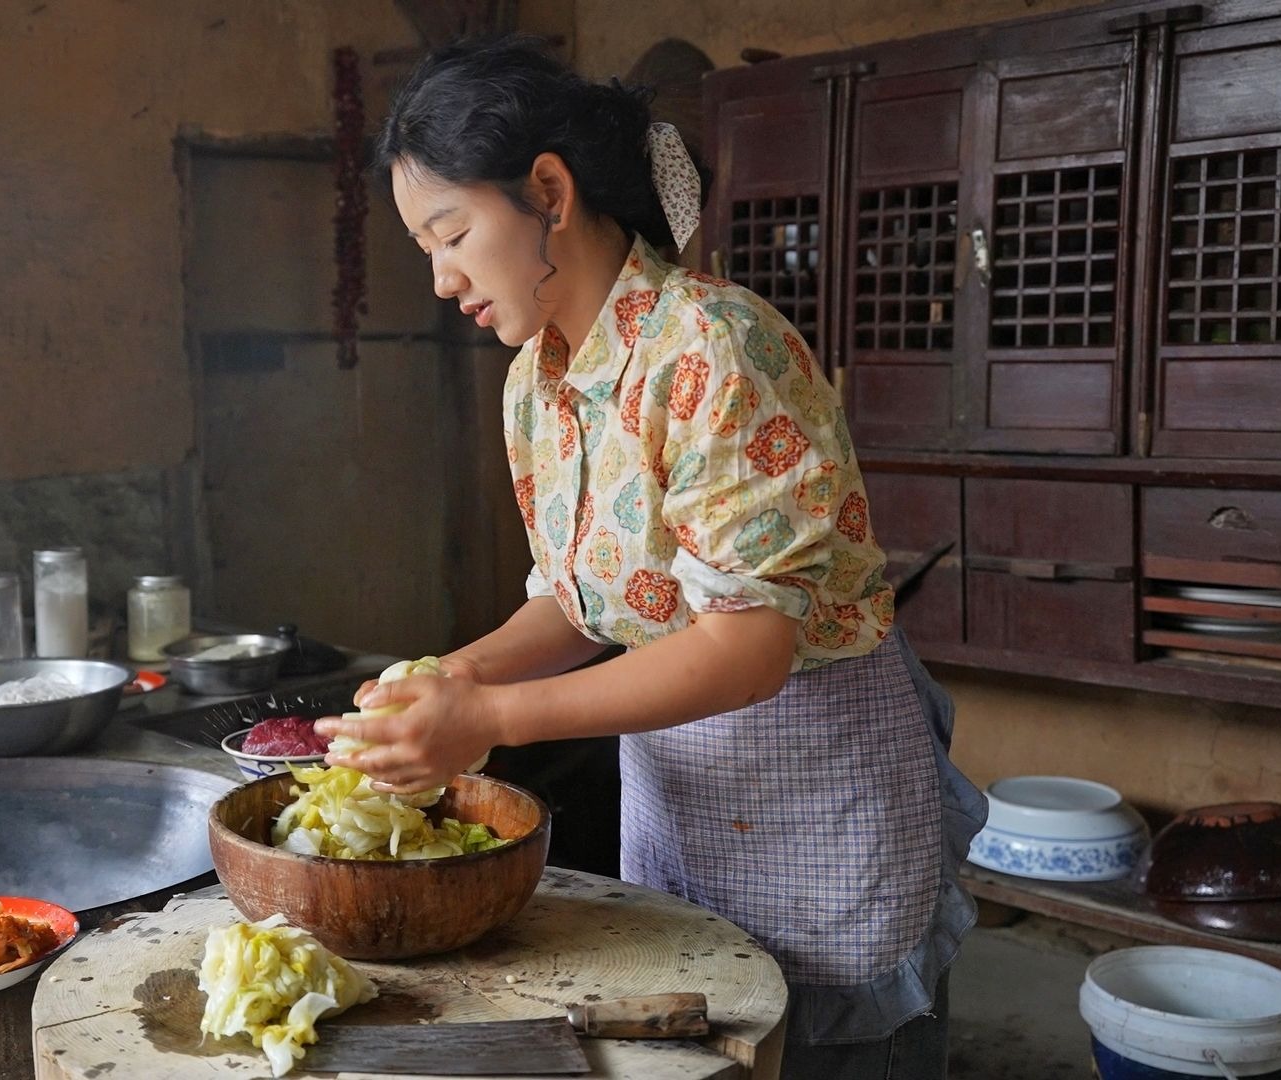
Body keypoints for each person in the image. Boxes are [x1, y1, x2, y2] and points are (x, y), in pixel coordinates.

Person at [314, 36, 988, 1079]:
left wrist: (488, 721)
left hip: (814, 794)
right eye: (422, 250)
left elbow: (746, 648)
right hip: (683, 807)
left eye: (450, 233)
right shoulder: (537, 383)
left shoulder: (714, 346)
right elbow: (588, 602)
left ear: (548, 190)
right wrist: (456, 675)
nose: (442, 280)